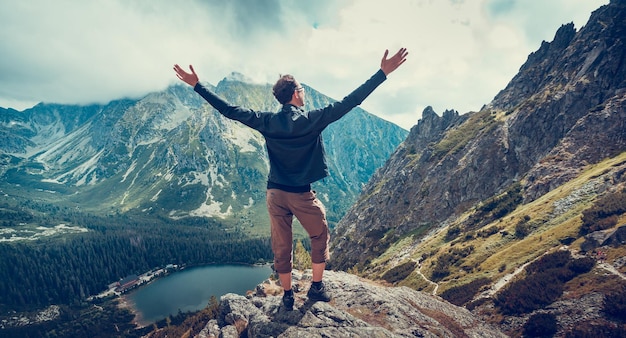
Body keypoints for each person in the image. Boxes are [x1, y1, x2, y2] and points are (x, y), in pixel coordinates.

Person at [173, 48, 408, 310]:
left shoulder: (267, 121)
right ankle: (316, 288)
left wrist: (198, 86)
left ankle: (287, 296)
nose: (304, 93)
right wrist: (382, 74)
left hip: (274, 195)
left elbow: (230, 110)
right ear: (296, 93)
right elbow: (350, 101)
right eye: (302, 90)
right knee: (319, 235)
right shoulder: (311, 120)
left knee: (281, 247)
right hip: (301, 195)